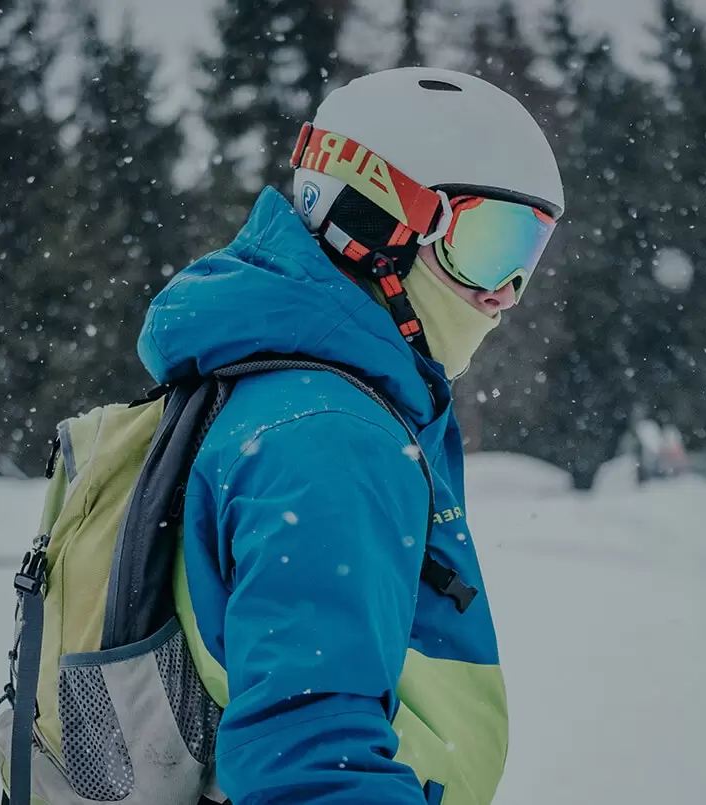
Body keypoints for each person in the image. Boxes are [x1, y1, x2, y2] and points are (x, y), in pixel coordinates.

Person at [136, 67, 562, 805]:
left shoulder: (294, 395)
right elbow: (313, 762)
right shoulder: (328, 438)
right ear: (374, 227)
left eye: (526, 255)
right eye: (488, 245)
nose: (504, 294)